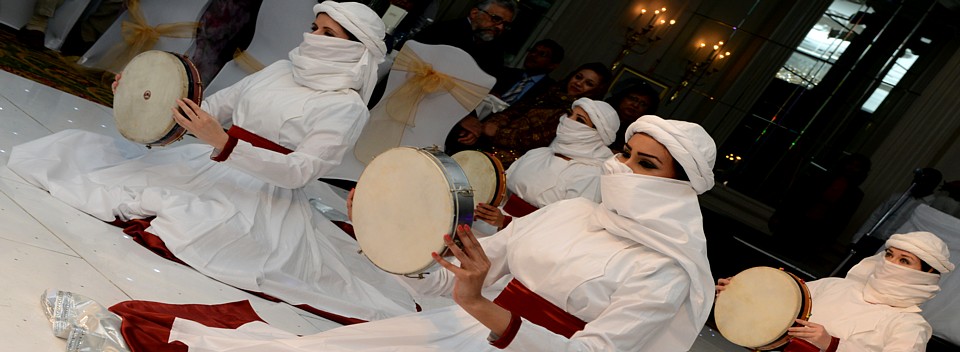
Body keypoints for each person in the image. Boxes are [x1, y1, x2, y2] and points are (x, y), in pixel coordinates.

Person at [107, 115, 718, 351]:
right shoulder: (573, 215)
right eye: (627, 154)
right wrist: (390, 220)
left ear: (682, 187)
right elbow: (457, 265)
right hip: (461, 327)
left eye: (646, 165)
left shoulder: (665, 272)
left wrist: (481, 305)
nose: (622, 169)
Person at [8, 2, 413, 322]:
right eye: (315, 28)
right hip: (210, 158)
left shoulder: (346, 107)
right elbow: (212, 108)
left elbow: (300, 171)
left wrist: (225, 145)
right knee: (77, 157)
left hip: (264, 192)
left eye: (329, 34)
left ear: (356, 49)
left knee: (193, 227)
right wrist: (143, 91)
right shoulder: (278, 70)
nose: (315, 38)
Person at [717, 231, 953, 351]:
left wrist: (833, 344)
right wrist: (739, 294)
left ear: (926, 274)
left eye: (905, 261)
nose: (891, 263)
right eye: (890, 255)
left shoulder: (909, 325)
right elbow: (777, 309)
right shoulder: (835, 286)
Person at [474, 97, 618, 232]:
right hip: (486, 225)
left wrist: (506, 222)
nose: (568, 120)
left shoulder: (592, 176)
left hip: (525, 240)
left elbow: (565, 227)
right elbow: (502, 190)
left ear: (597, 134)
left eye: (580, 120)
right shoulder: (538, 154)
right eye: (570, 114)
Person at [449, 62, 613, 168]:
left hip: (514, 158)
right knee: (459, 139)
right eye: (579, 77)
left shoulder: (575, 115)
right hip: (489, 138)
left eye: (588, 84)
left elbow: (533, 140)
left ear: (596, 91)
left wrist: (493, 132)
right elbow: (514, 110)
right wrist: (485, 128)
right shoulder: (550, 92)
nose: (579, 83)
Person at [411, 0, 517, 77]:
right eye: (496, 18)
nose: (500, 27)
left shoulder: (495, 50)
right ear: (474, 13)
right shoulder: (444, 31)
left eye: (505, 24)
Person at [491, 39, 565, 105]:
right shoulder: (507, 73)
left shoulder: (549, 90)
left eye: (542, 54)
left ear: (552, 65)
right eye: (533, 51)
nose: (533, 55)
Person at [605, 81, 661, 152]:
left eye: (643, 104)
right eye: (633, 99)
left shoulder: (640, 133)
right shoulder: (600, 112)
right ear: (622, 97)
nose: (635, 105)